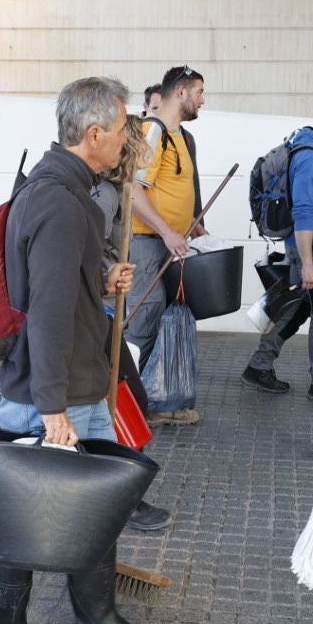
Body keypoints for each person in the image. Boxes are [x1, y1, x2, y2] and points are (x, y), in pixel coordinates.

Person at [0, 76, 162, 624]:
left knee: (92, 507)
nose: (124, 143)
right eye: (119, 132)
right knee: (24, 514)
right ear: (93, 134)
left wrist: (101, 278)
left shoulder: (64, 191)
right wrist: (53, 406)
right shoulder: (61, 203)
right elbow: (50, 313)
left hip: (73, 381)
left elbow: (61, 287)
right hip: (57, 392)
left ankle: (96, 620)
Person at [89, 109, 172, 533]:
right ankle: (121, 499)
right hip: (92, 317)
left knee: (130, 403)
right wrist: (110, 274)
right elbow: (90, 251)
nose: (145, 155)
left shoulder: (116, 188)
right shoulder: (104, 194)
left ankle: (123, 494)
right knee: (121, 404)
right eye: (139, 146)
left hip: (102, 314)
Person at [242, 87, 313, 402]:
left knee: (297, 309)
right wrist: (306, 263)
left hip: (312, 249)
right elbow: (303, 213)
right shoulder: (311, 158)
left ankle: (259, 366)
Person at [126, 65, 207, 425]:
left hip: (169, 243)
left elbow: (171, 191)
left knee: (157, 319)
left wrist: (192, 225)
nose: (202, 100)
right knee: (142, 321)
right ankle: (122, 408)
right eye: (199, 92)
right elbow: (133, 191)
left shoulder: (180, 136)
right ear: (181, 93)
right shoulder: (153, 131)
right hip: (147, 243)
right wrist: (166, 232)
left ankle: (151, 404)